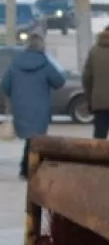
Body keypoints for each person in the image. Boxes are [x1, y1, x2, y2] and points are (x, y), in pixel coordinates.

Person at [4, 31, 67, 177]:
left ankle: (26, 167)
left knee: (30, 138)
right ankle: (29, 168)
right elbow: (59, 82)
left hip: (20, 106)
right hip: (40, 107)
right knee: (36, 138)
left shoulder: (16, 63)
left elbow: (5, 85)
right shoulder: (45, 63)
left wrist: (16, 94)